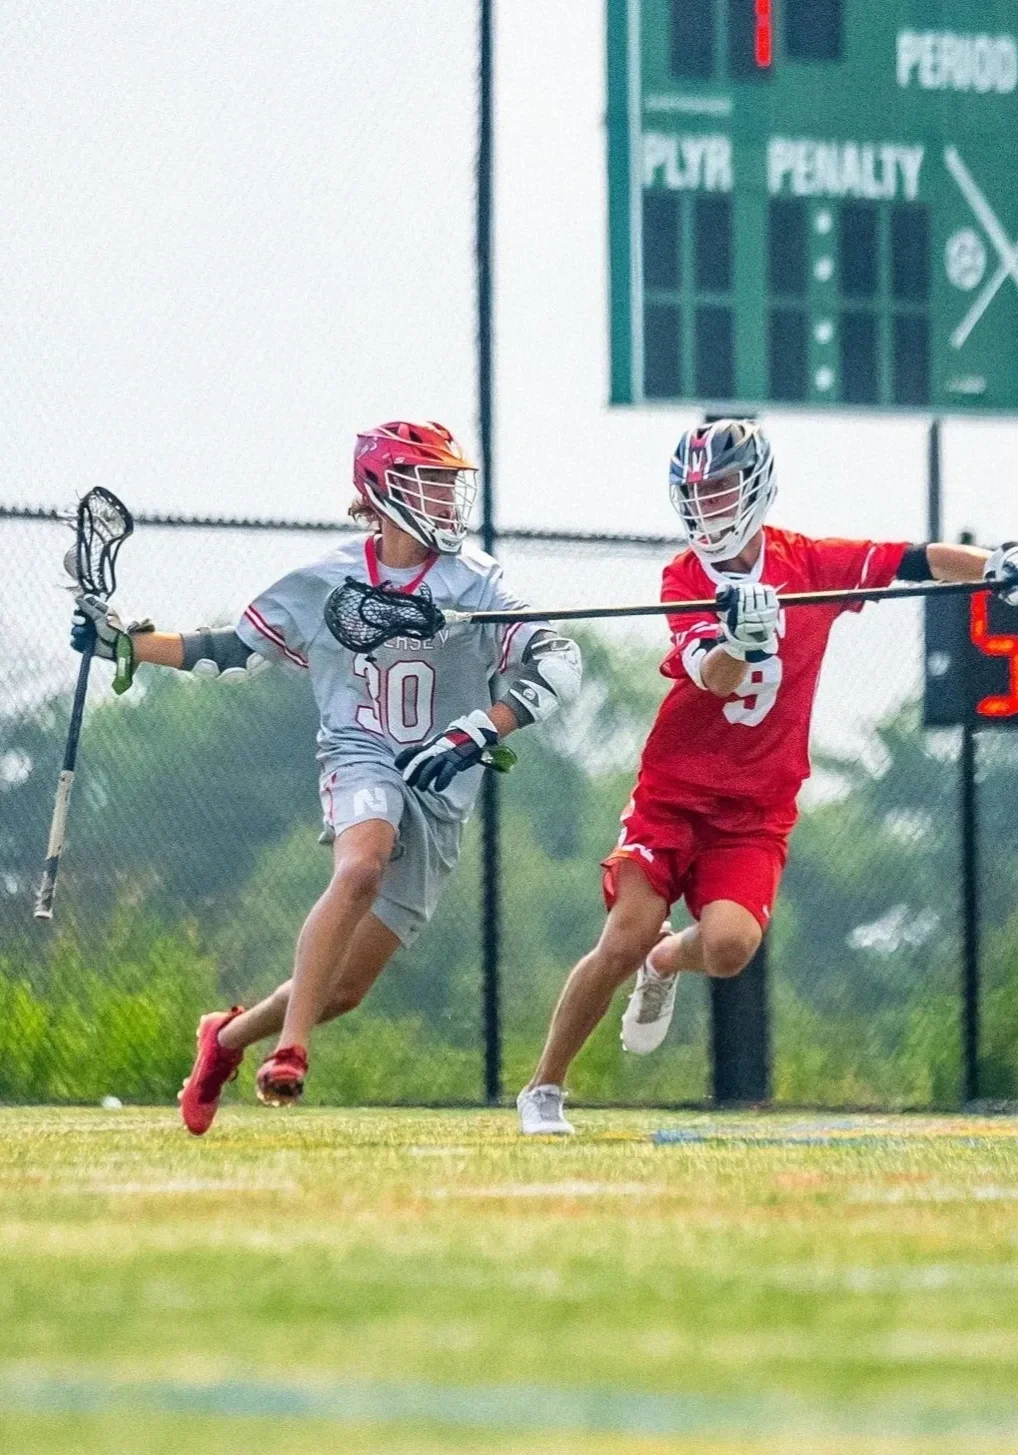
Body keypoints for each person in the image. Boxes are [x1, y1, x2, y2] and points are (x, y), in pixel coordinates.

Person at [72, 421, 581, 1133]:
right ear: (381, 488)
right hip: (359, 753)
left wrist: (479, 729)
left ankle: (222, 1039)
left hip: (440, 783)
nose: (445, 497)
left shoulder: (478, 581)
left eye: (449, 482)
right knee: (361, 864)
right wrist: (124, 642)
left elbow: (560, 662)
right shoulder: (322, 579)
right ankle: (289, 1052)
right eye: (428, 481)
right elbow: (223, 650)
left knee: (342, 988)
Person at [516, 418, 1018, 1135]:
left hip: (755, 807)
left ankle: (669, 960)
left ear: (754, 485)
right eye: (696, 494)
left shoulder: (808, 562)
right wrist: (738, 638)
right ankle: (543, 1090)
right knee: (623, 936)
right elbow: (714, 677)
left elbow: (913, 558)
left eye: (720, 489)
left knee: (726, 947)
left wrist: (994, 565)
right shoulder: (683, 576)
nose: (709, 507)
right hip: (675, 794)